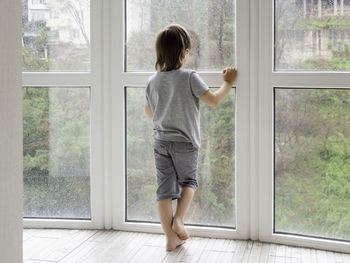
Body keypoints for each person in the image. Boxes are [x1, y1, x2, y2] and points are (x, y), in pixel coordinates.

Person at [144, 24, 237, 251]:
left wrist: (166, 116)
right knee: (189, 182)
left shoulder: (152, 81)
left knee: (164, 190)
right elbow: (214, 100)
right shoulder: (189, 77)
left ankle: (170, 238)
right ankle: (179, 220)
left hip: (160, 142)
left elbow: (150, 112)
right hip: (185, 142)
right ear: (184, 52)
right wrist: (228, 82)